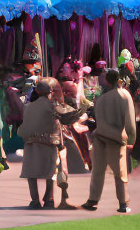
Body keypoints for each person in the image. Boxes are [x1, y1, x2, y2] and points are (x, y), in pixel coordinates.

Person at [19, 77, 88, 209]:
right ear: (50, 91)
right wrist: (83, 109)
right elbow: (70, 117)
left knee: (31, 172)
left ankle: (35, 200)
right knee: (50, 172)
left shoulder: (27, 106)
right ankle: (49, 199)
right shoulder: (53, 105)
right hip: (49, 142)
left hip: (30, 143)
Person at [82, 67, 136, 213]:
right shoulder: (124, 95)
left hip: (99, 138)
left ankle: (92, 200)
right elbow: (130, 123)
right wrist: (131, 140)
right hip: (116, 139)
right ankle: (123, 203)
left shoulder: (100, 100)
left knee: (98, 171)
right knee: (120, 173)